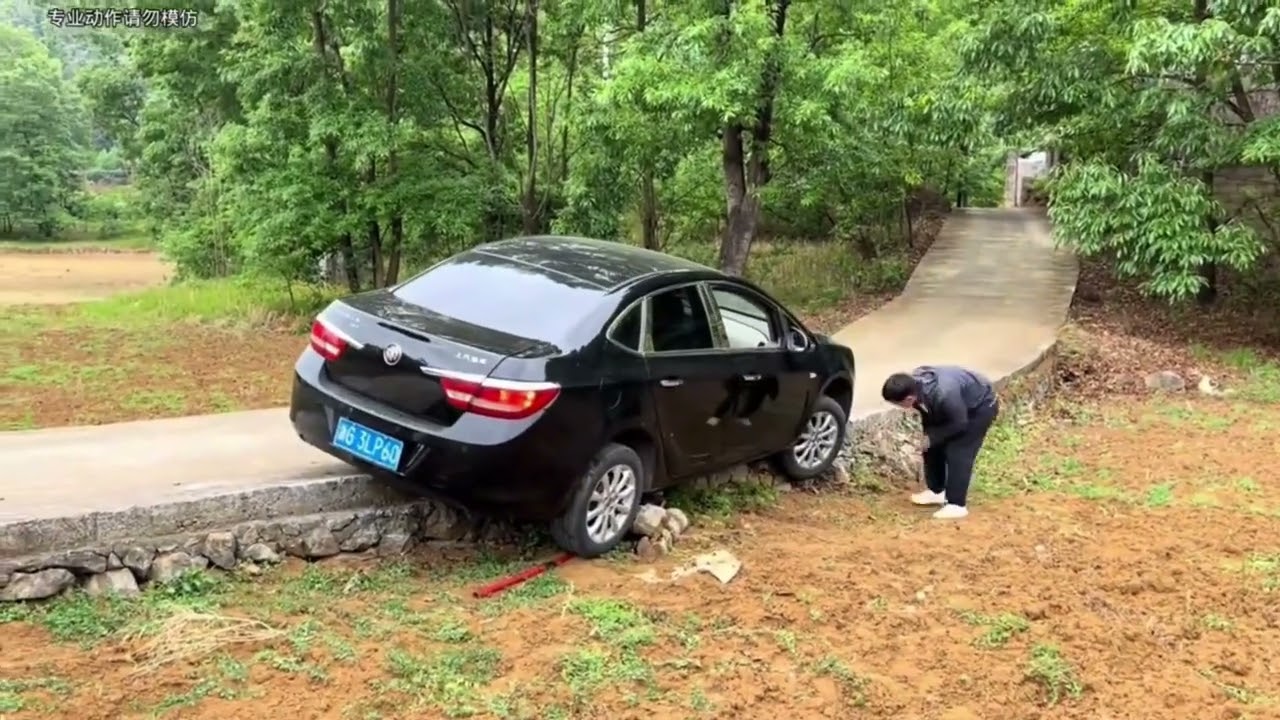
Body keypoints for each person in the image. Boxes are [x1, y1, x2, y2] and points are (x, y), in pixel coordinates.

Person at [881, 366, 999, 519]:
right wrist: (928, 437)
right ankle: (937, 491)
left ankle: (957, 505)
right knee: (931, 447)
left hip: (979, 406)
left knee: (958, 451)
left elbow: (959, 423)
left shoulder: (945, 393)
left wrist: (932, 437)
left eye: (898, 404)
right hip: (956, 408)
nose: (899, 408)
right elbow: (927, 412)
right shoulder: (915, 387)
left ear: (909, 399)